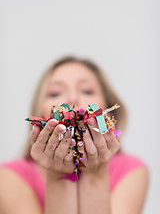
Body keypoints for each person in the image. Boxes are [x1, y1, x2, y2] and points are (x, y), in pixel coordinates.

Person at [0, 55, 149, 214]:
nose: (72, 98)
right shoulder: (9, 176)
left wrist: (95, 175)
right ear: (39, 115)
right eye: (55, 93)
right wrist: (58, 174)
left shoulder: (131, 170)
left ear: (107, 108)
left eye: (87, 90)